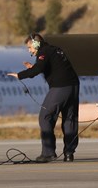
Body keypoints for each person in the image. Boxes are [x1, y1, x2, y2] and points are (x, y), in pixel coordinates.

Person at [8, 32, 80, 162]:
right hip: (73, 86)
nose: (29, 51)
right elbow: (48, 67)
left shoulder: (44, 51)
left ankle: (48, 153)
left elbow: (37, 69)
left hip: (60, 87)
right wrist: (34, 67)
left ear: (36, 44)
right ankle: (69, 153)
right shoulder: (55, 50)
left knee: (45, 117)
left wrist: (20, 75)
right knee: (70, 119)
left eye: (30, 48)